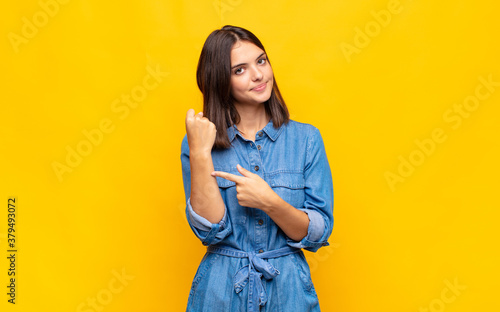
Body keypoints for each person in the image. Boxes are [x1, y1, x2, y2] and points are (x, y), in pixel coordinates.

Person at [180, 25, 334, 312]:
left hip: (289, 292)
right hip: (220, 292)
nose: (259, 75)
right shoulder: (199, 144)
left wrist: (270, 203)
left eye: (261, 61)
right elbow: (210, 232)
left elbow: (318, 234)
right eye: (240, 70)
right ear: (220, 81)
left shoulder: (306, 139)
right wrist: (201, 152)